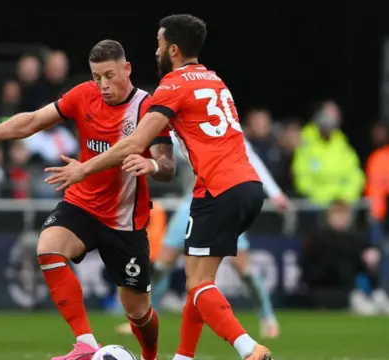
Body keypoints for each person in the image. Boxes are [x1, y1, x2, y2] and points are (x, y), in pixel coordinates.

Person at [45, 15, 272, 360]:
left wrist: (85, 169)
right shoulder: (214, 80)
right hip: (248, 186)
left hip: (215, 189)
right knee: (199, 281)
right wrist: (153, 164)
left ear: (174, 49)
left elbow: (135, 140)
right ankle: (183, 358)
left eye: (159, 44)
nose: (156, 50)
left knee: (198, 286)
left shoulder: (172, 84)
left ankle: (249, 348)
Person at [0, 40, 175, 360]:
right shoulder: (83, 95)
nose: (103, 85)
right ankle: (85, 343)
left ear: (127, 69)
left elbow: (167, 166)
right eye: (97, 77)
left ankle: (150, 356)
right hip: (82, 202)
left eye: (110, 76)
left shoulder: (147, 108)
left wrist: (152, 164)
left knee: (138, 312)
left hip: (125, 219)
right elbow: (33, 120)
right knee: (49, 247)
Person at [128, 137, 289, 339]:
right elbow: (161, 149)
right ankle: (148, 318)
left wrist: (275, 193)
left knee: (242, 269)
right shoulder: (183, 129)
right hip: (193, 200)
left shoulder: (228, 127)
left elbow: (253, 160)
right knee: (162, 263)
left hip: (226, 199)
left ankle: (267, 317)